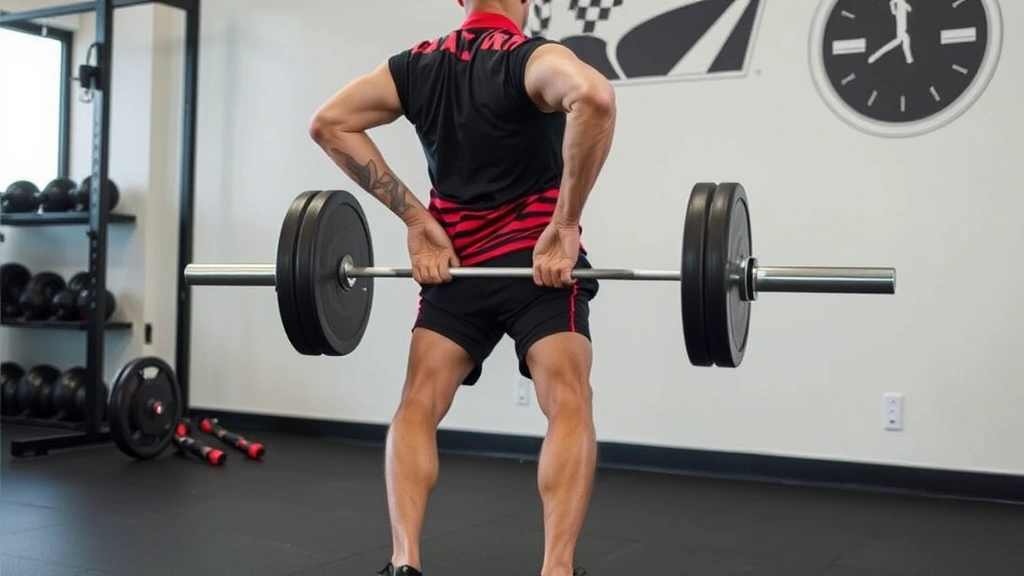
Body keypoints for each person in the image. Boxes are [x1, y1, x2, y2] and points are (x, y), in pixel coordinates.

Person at [308, 1, 616, 574]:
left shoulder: (416, 67)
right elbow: (594, 98)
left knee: (418, 403)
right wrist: (566, 224)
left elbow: (329, 123)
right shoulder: (529, 57)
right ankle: (556, 569)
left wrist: (417, 222)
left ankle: (404, 562)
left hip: (455, 266)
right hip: (537, 265)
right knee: (569, 399)